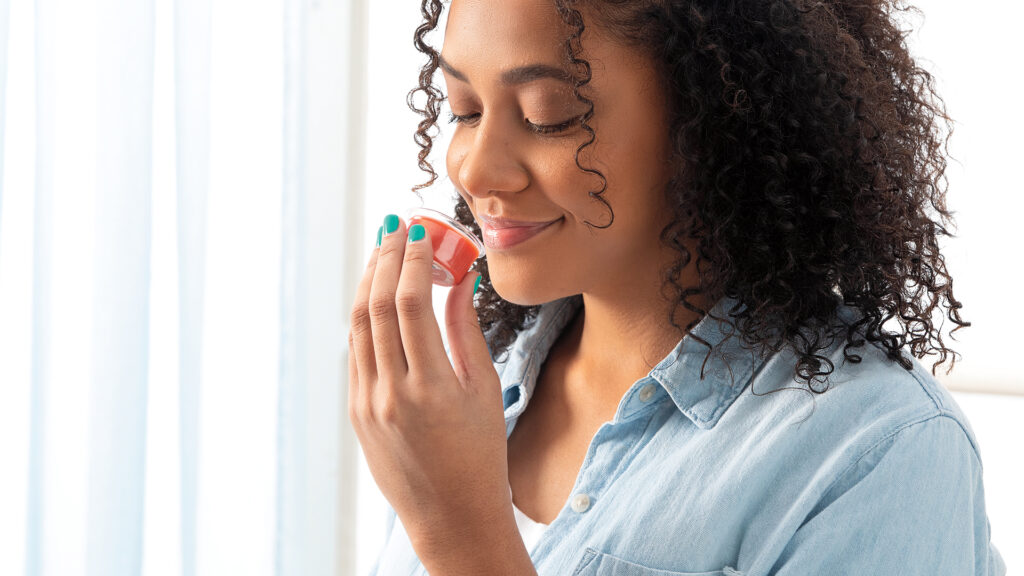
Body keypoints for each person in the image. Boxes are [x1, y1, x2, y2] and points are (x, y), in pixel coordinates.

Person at [347, 0, 1008, 574]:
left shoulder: (877, 450)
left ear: (712, 121)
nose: (475, 169)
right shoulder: (468, 393)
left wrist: (462, 539)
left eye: (548, 116)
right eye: (463, 109)